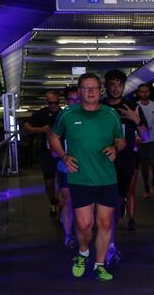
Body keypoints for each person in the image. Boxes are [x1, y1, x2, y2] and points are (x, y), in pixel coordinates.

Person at [48, 73, 125, 281]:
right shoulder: (68, 115)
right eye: (85, 88)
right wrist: (63, 156)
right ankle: (83, 253)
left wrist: (115, 147)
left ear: (101, 91)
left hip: (107, 178)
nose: (90, 92)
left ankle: (99, 265)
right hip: (80, 178)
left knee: (106, 223)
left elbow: (121, 139)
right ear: (80, 91)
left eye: (94, 88)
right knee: (83, 224)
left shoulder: (111, 114)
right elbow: (53, 136)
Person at [104, 70, 148, 238]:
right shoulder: (99, 107)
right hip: (103, 160)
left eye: (120, 85)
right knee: (105, 199)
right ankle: (108, 237)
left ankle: (119, 222)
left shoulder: (131, 107)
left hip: (125, 160)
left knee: (121, 195)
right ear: (106, 86)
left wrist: (135, 119)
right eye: (112, 84)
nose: (116, 89)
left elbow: (145, 135)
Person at [22, 89, 63, 219]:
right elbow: (26, 127)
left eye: (56, 103)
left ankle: (63, 207)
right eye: (51, 103)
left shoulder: (64, 113)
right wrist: (43, 129)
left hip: (63, 152)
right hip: (46, 153)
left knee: (63, 183)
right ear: (47, 102)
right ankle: (53, 202)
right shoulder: (41, 114)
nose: (54, 105)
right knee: (49, 183)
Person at [57, 87, 81, 249]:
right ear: (67, 101)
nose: (75, 103)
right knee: (68, 200)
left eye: (77, 99)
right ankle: (68, 235)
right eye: (71, 99)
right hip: (66, 166)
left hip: (89, 167)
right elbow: (53, 141)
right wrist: (64, 156)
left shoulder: (93, 115)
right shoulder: (62, 118)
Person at [134, 83, 154, 198]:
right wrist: (135, 138)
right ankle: (146, 187)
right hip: (141, 141)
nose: (144, 93)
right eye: (141, 91)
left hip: (153, 140)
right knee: (144, 165)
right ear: (138, 93)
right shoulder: (135, 106)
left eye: (146, 91)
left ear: (149, 92)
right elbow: (133, 124)